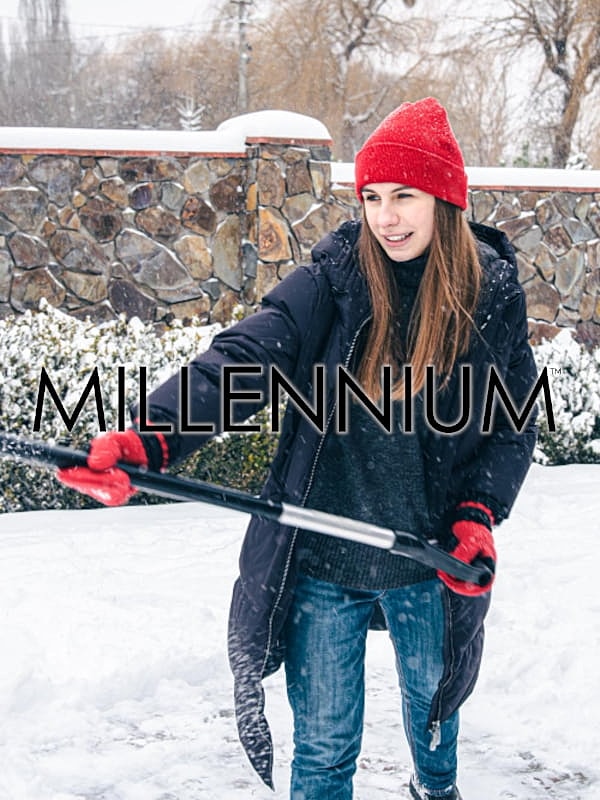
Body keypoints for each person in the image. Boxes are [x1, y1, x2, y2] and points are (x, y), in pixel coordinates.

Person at [58, 97, 538, 800]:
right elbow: (246, 357)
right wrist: (151, 437)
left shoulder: (486, 293)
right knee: (322, 757)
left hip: (428, 558)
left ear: (445, 199)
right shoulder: (336, 277)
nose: (387, 216)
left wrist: (476, 512)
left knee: (435, 734)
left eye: (405, 195)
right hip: (323, 559)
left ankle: (432, 788)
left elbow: (509, 424)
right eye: (373, 196)